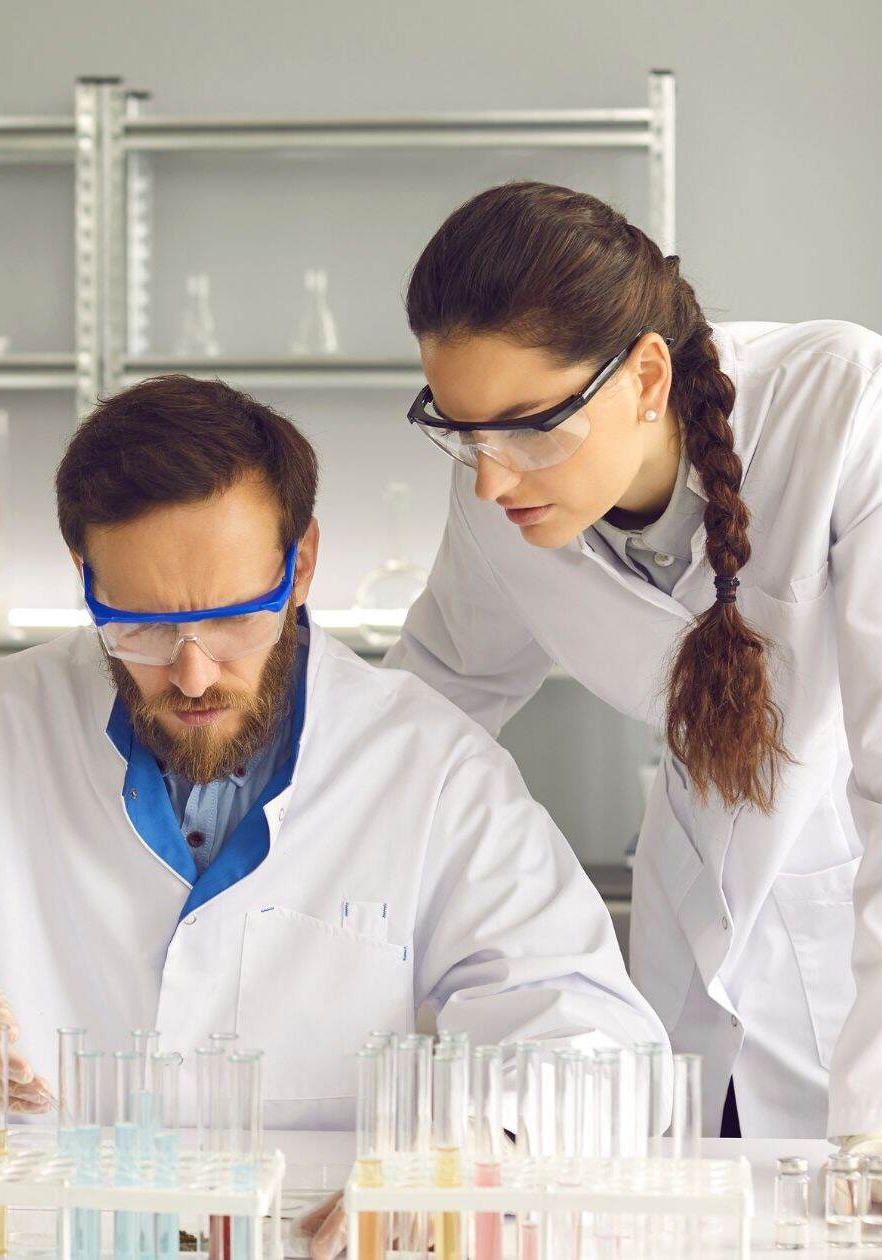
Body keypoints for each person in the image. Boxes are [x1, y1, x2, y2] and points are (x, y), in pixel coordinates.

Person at [0, 374, 666, 1139]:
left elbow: (595, 1038)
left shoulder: (429, 764)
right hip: (58, 1231)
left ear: (300, 566)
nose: (193, 671)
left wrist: (465, 1149)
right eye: (138, 626)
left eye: (230, 616)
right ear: (85, 582)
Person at [387, 180, 882, 1145]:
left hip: (852, 953)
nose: (490, 477)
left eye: (529, 426)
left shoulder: (845, 408)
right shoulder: (499, 496)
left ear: (647, 378)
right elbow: (430, 709)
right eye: (460, 432)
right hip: (683, 941)